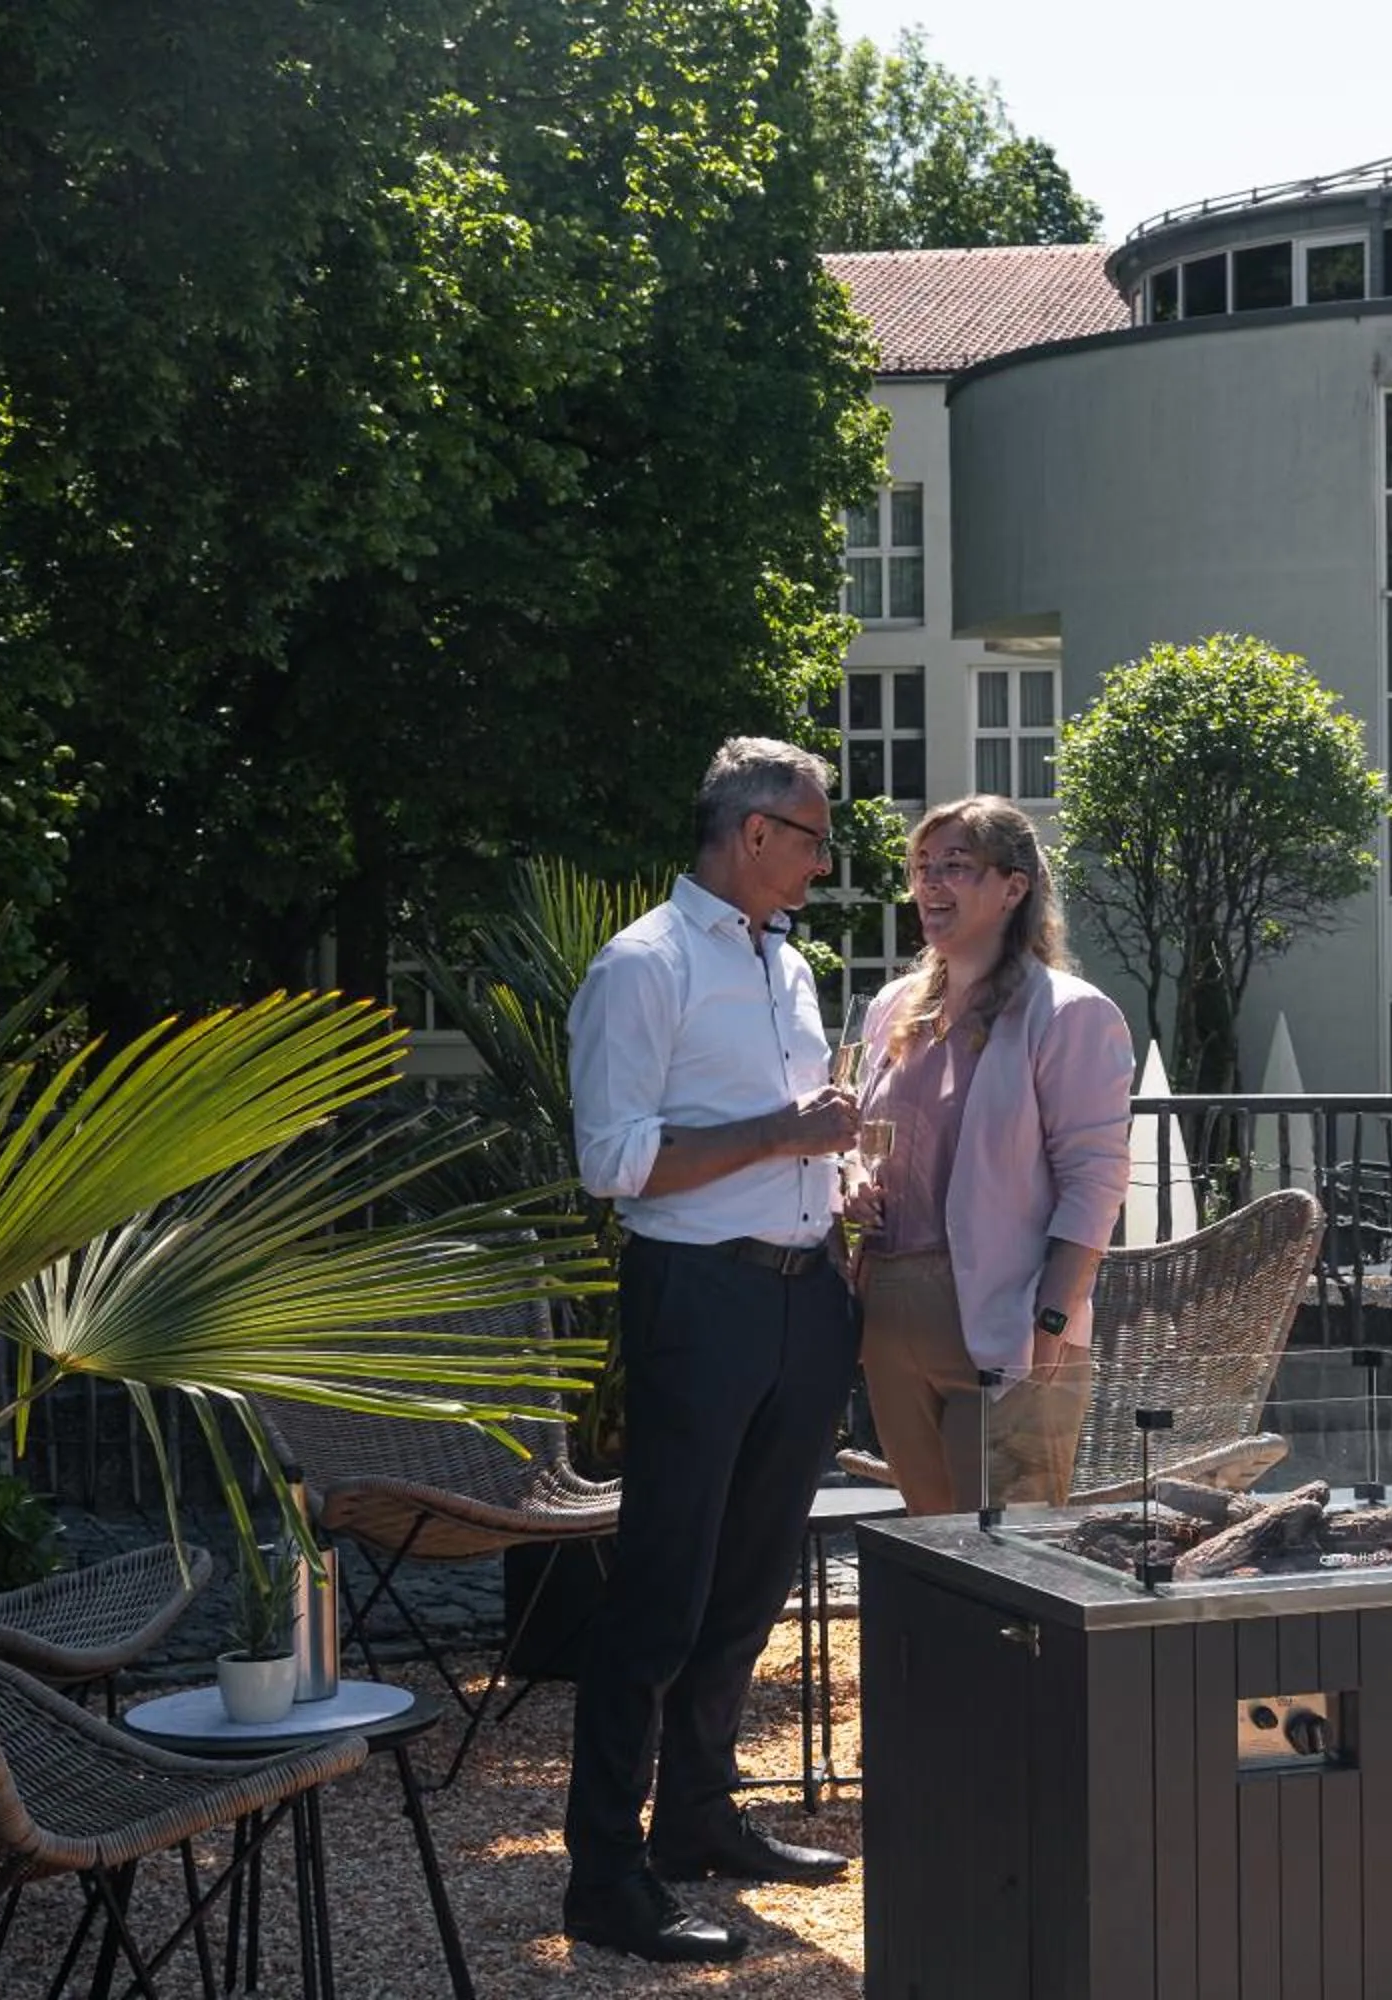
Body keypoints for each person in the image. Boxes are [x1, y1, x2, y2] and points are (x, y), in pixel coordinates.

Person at [560, 738, 861, 1967]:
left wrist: (835, 1177)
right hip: (697, 1296)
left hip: (806, 1296)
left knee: (748, 1581)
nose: (824, 862)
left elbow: (793, 1137)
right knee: (662, 1591)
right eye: (814, 838)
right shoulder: (643, 965)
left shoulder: (787, 965)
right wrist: (782, 1132)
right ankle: (603, 1876)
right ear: (754, 832)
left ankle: (695, 1816)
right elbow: (615, 1161)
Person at [842, 795, 1133, 1515]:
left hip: (1008, 1322)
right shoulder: (890, 1009)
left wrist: (1051, 1322)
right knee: (934, 1546)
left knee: (1008, 1553)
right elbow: (854, 1142)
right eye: (922, 867)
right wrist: (851, 1180)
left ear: (1013, 887)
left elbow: (1096, 1181)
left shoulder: (1067, 1012)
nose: (930, 884)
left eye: (956, 866)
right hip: (890, 1317)